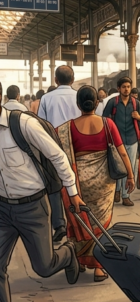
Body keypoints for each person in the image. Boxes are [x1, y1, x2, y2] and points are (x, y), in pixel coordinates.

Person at [0, 82, 83, 302]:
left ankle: (68, 253)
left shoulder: (22, 124)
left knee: (44, 267)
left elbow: (58, 157)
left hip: (32, 207)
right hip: (2, 209)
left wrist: (72, 193)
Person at [57, 86, 134, 282]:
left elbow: (59, 158)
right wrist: (131, 176)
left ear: (78, 104)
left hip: (78, 183)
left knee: (80, 219)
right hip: (104, 182)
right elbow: (122, 152)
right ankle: (99, 267)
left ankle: (80, 259)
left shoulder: (67, 128)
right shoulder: (108, 124)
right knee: (102, 222)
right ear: (97, 103)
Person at [38, 65, 82, 242]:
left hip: (53, 148)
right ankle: (78, 220)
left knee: (55, 187)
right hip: (78, 148)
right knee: (77, 185)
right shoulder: (80, 95)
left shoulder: (46, 98)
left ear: (55, 80)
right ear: (72, 80)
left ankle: (60, 225)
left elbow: (40, 125)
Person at [102, 77, 140, 207]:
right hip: (117, 140)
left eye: (128, 86)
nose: (126, 89)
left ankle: (125, 195)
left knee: (129, 167)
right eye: (124, 87)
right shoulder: (112, 102)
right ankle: (117, 190)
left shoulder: (136, 103)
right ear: (119, 89)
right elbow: (104, 119)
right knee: (118, 166)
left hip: (132, 139)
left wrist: (138, 117)